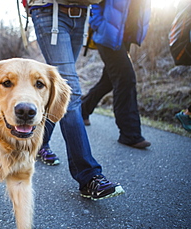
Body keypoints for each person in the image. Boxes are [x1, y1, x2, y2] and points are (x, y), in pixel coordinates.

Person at [27, 0, 125, 200]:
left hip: (81, 13)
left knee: (57, 90)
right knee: (69, 90)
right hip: (49, 12)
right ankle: (89, 176)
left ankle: (39, 143)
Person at [80, 0, 151, 149]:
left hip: (125, 37)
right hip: (108, 35)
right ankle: (130, 133)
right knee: (126, 79)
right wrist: (98, 24)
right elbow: (95, 3)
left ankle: (83, 110)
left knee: (109, 81)